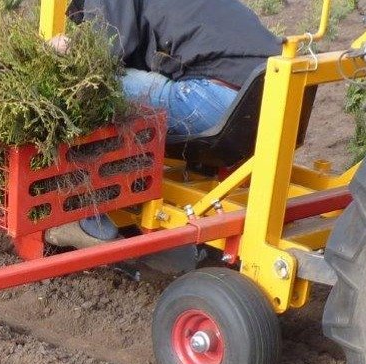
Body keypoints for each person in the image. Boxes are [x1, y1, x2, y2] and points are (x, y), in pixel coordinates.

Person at [45, 0, 280, 248]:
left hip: (217, 102)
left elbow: (101, 57)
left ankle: (88, 220)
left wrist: (67, 48)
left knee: (84, 85)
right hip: (274, 101)